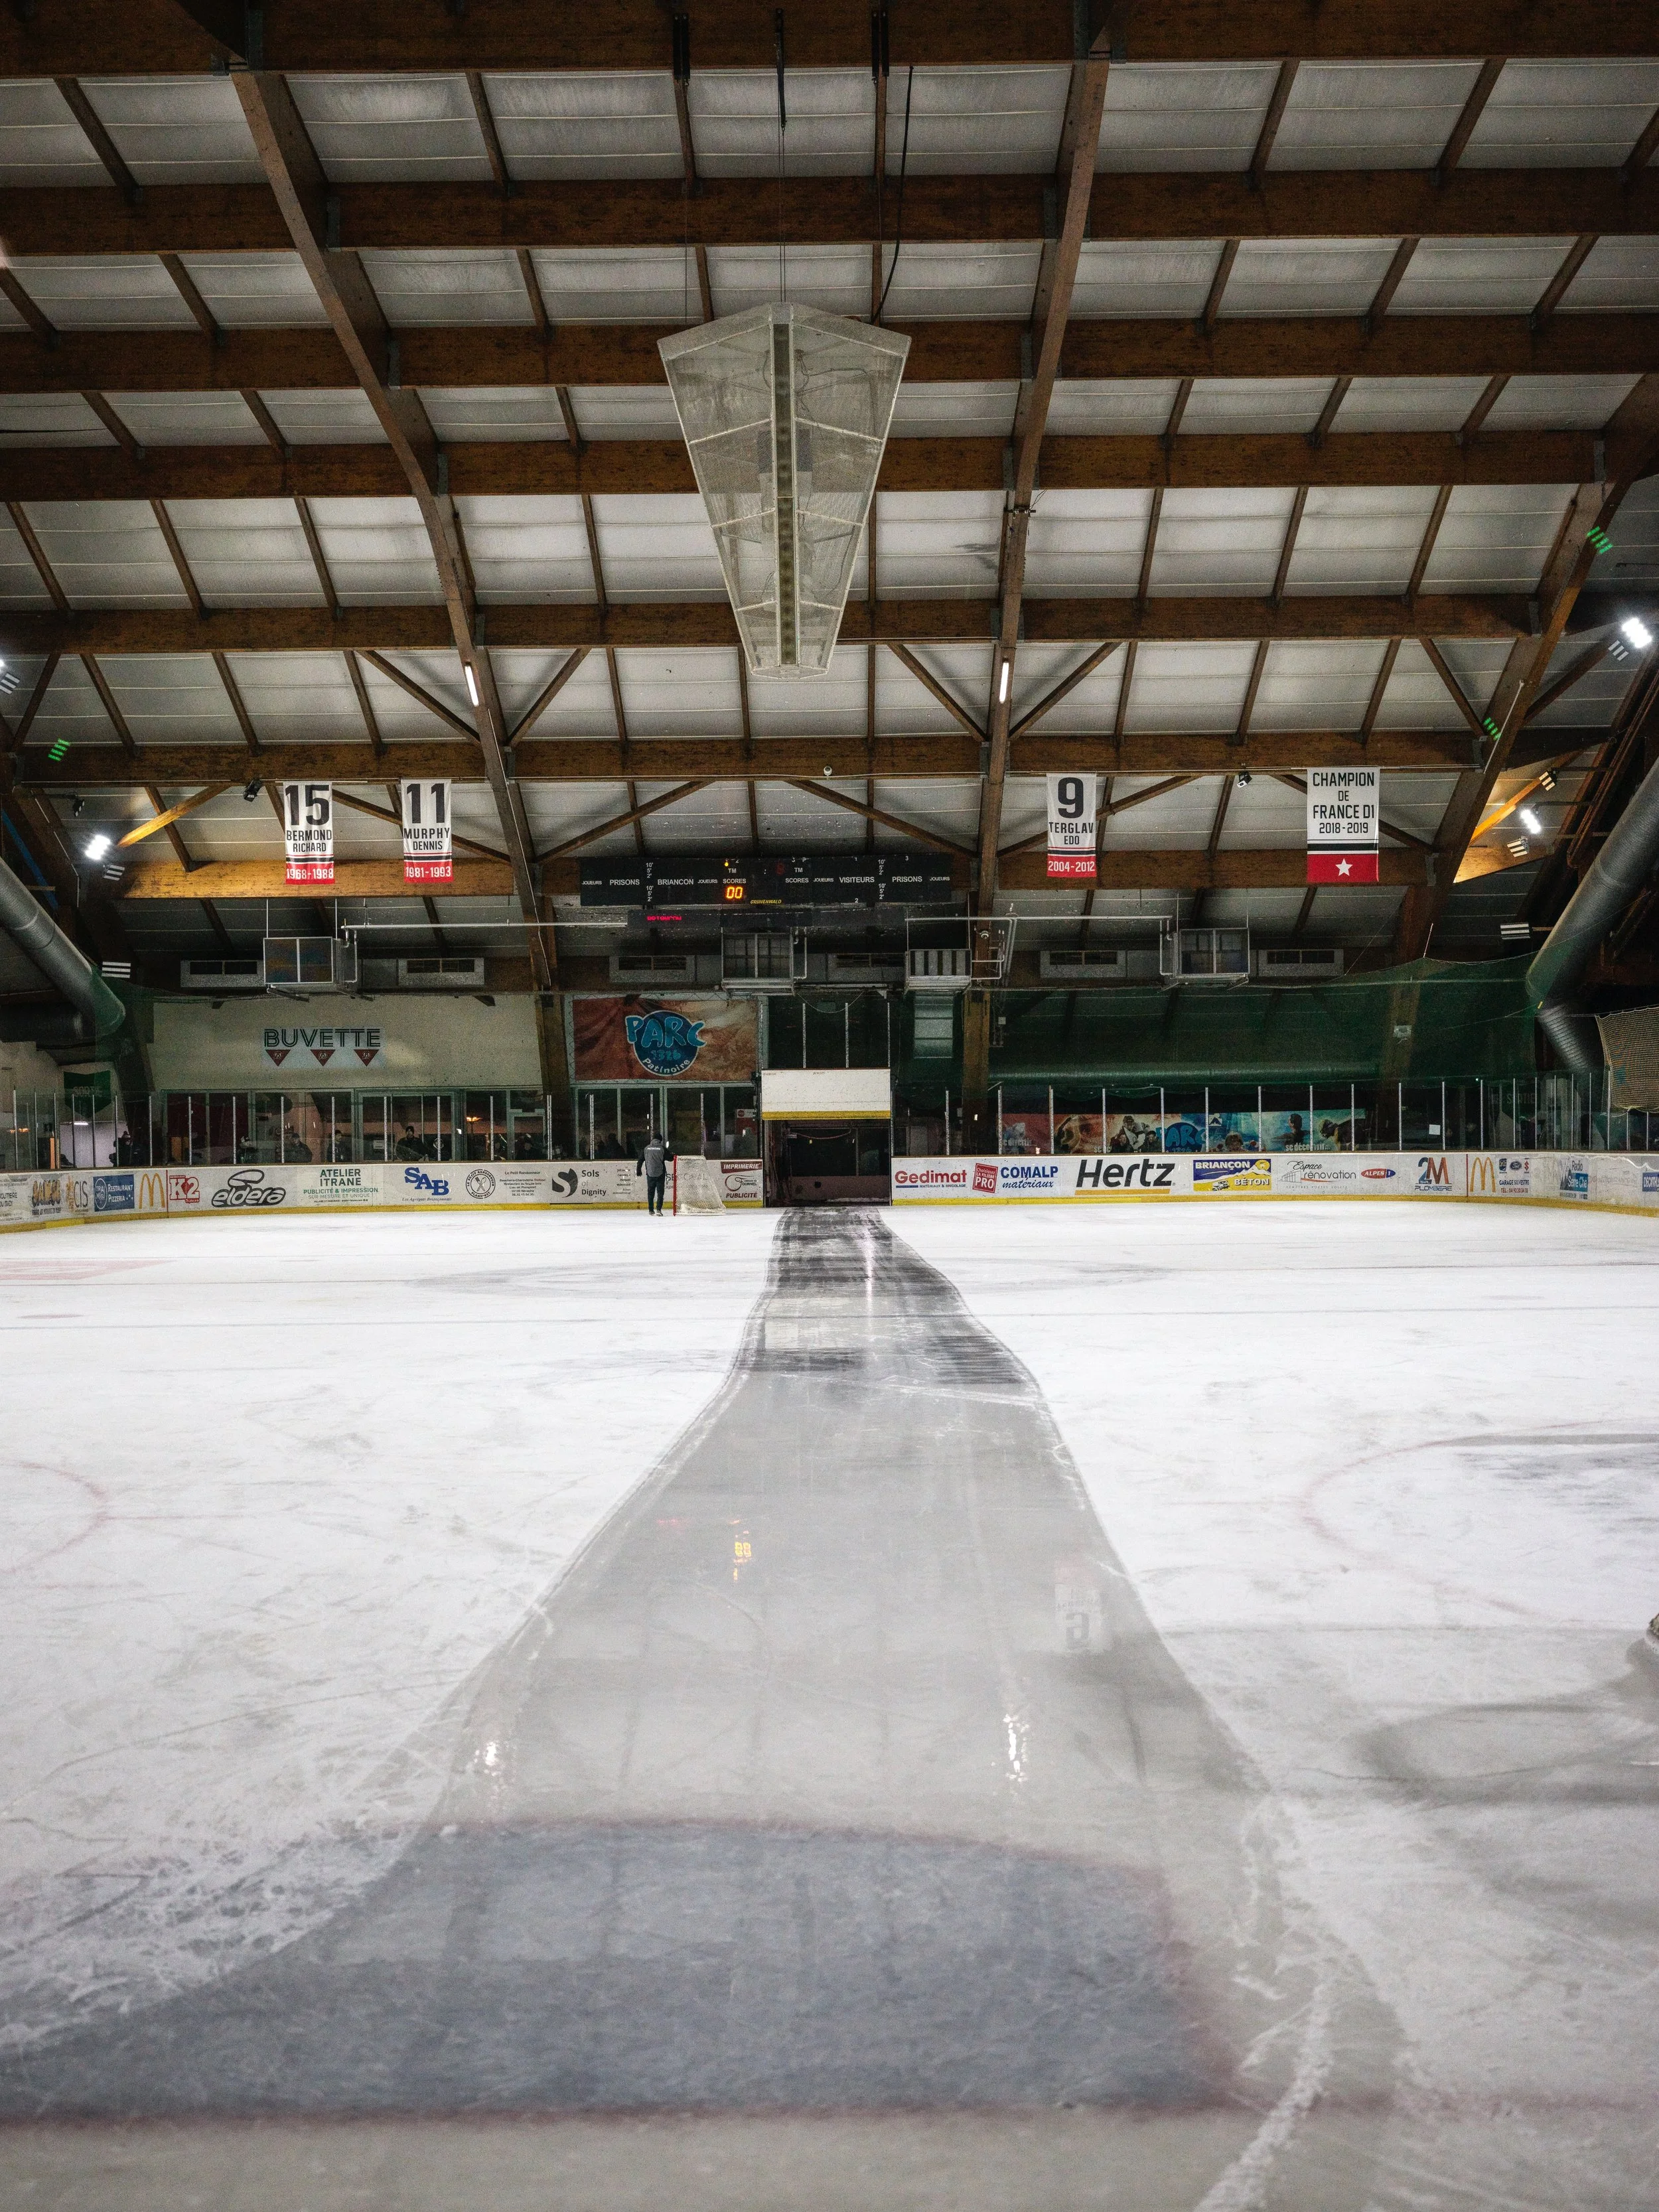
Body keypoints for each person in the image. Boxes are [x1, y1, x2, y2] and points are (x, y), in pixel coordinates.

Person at [637, 1130, 673, 1215]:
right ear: (660, 1140)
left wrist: (639, 1169)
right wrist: (673, 1154)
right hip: (660, 1173)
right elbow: (670, 1158)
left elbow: (641, 1160)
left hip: (650, 1173)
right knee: (660, 1192)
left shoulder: (646, 1148)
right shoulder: (662, 1148)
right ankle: (659, 1210)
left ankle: (651, 1210)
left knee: (651, 1192)